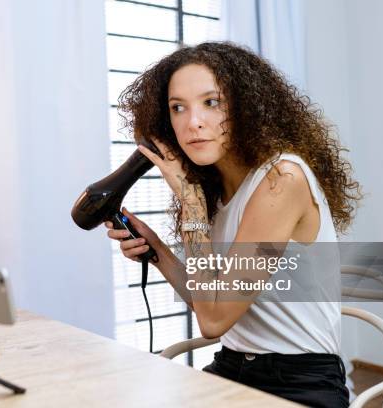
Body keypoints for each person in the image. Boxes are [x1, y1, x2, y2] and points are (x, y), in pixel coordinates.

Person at [105, 42, 361, 408]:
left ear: (246, 108)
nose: (193, 122)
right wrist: (157, 250)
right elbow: (208, 299)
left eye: (211, 103)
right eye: (178, 108)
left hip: (298, 383)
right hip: (231, 367)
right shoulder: (213, 188)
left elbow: (213, 321)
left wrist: (190, 203)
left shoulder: (281, 179)